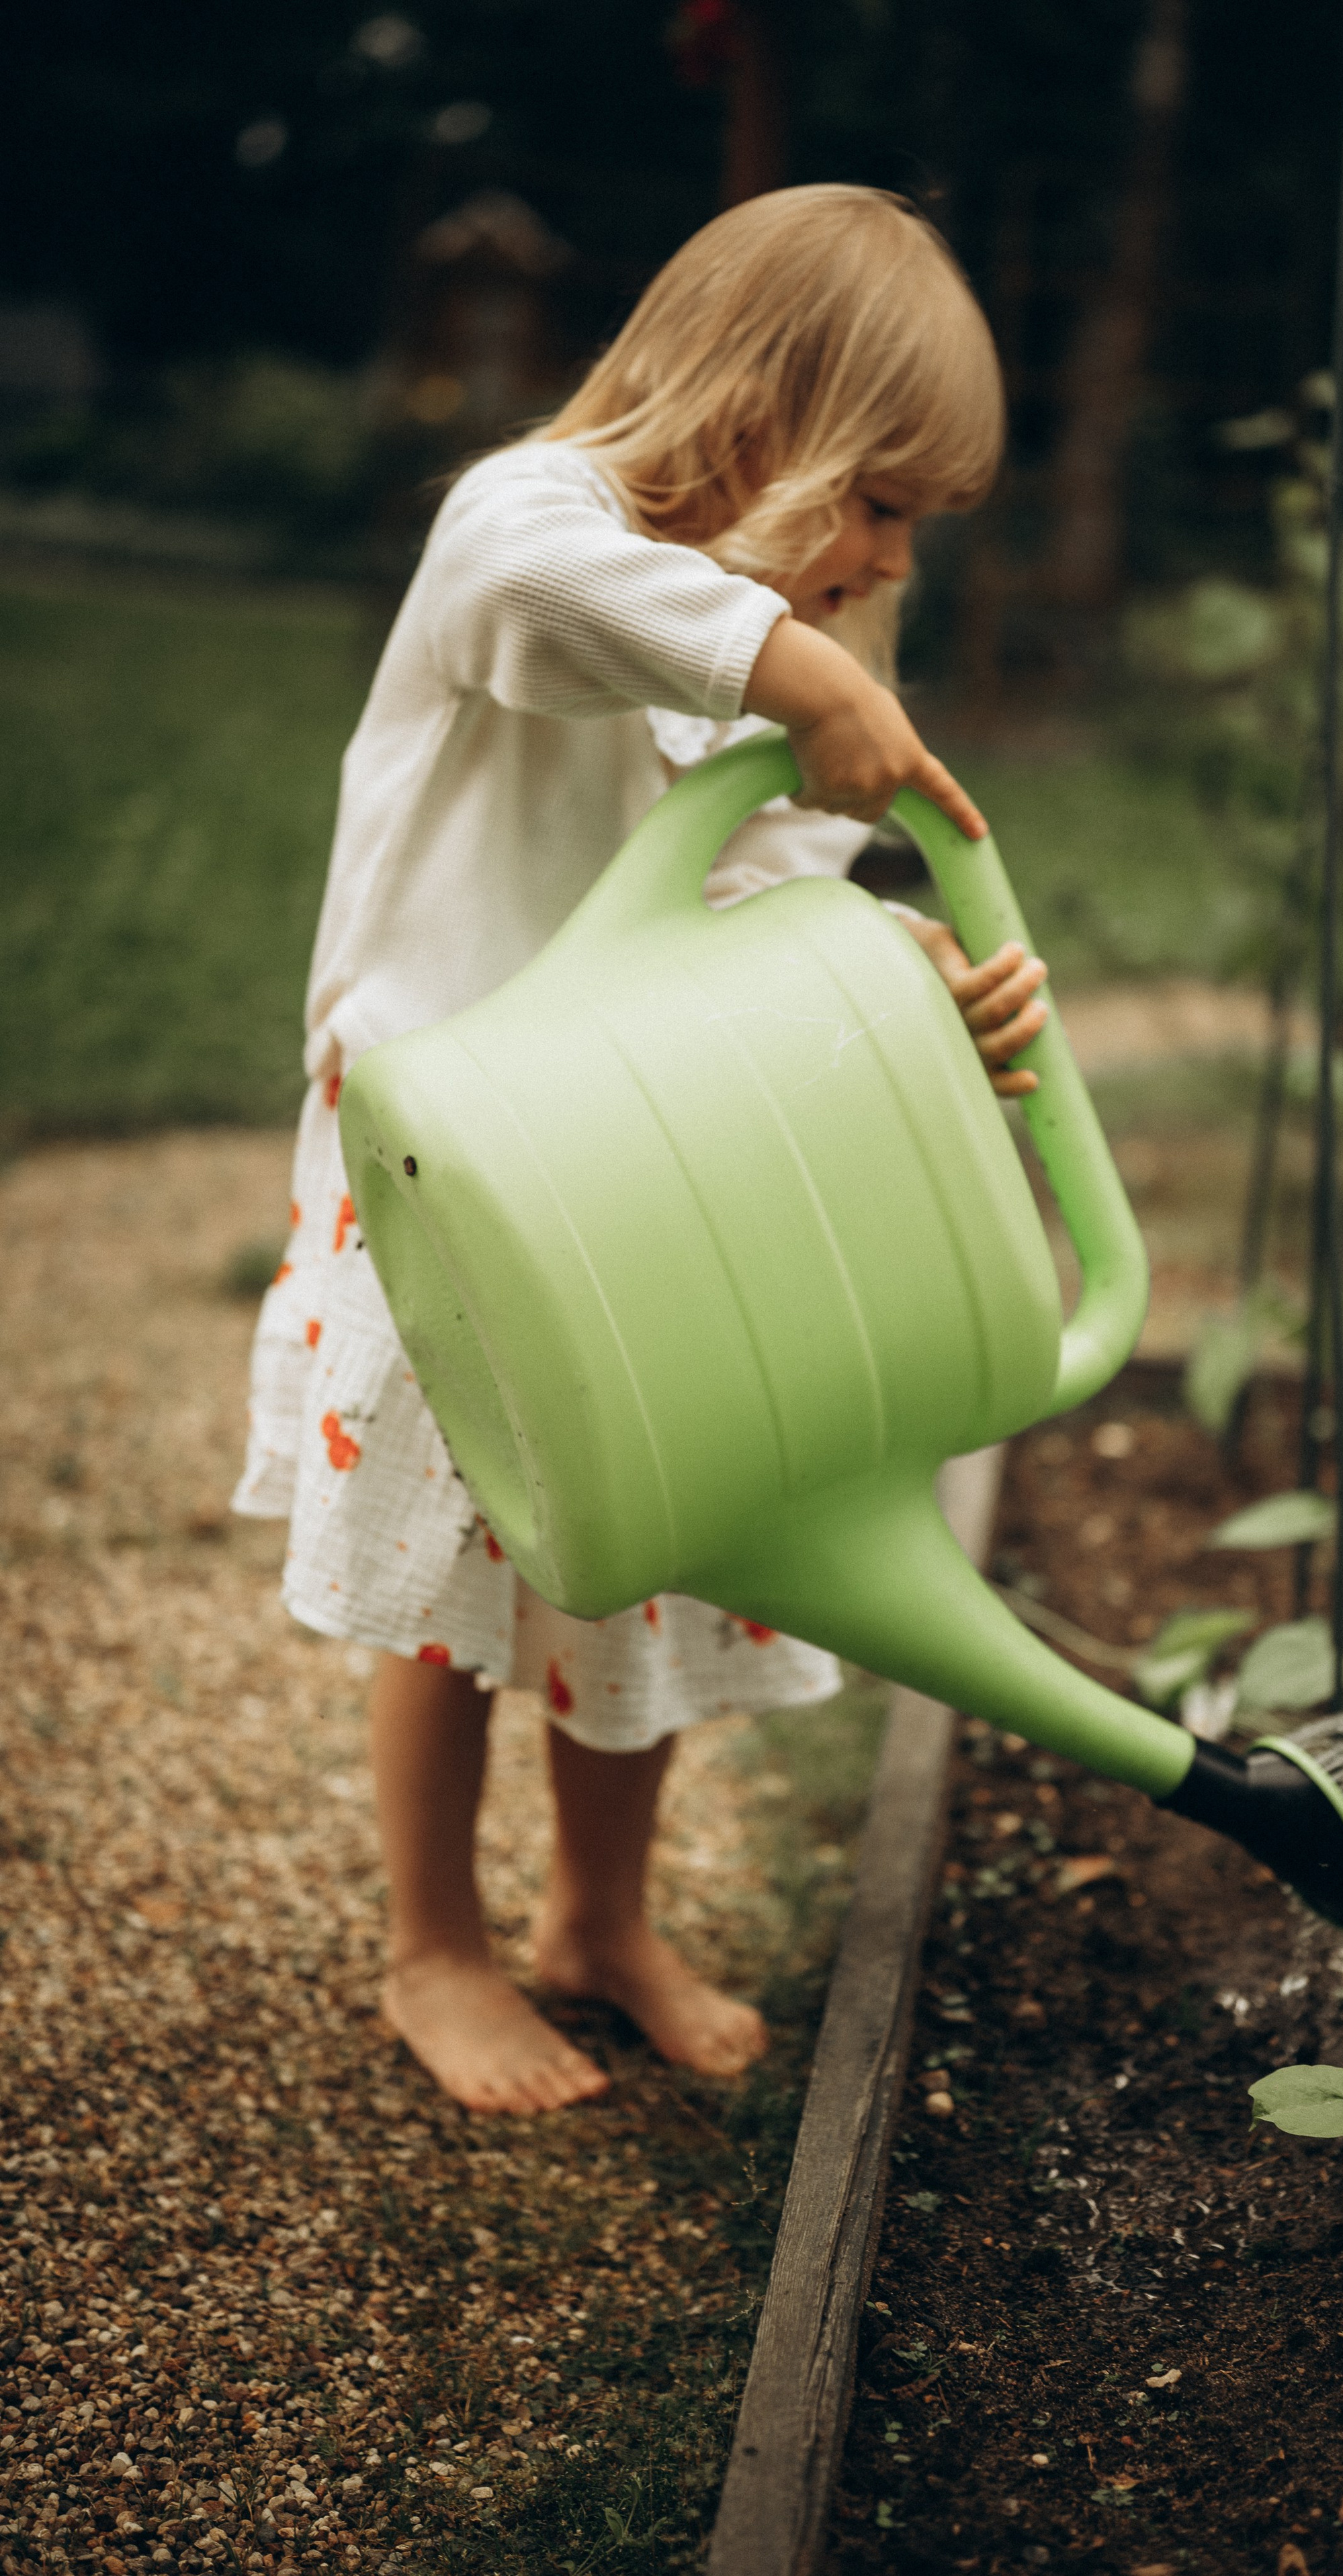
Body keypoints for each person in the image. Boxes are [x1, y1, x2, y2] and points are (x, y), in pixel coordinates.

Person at [232, 184, 1048, 2117]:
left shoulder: (804, 621)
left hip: (649, 1167)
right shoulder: (533, 519)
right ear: (762, 415)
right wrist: (809, 667)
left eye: (908, 526)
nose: (885, 556)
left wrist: (913, 956)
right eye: (878, 498)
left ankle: (602, 1914)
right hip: (452, 1162)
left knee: (655, 1548)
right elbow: (559, 611)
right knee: (461, 1565)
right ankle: (434, 1943)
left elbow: (779, 858)